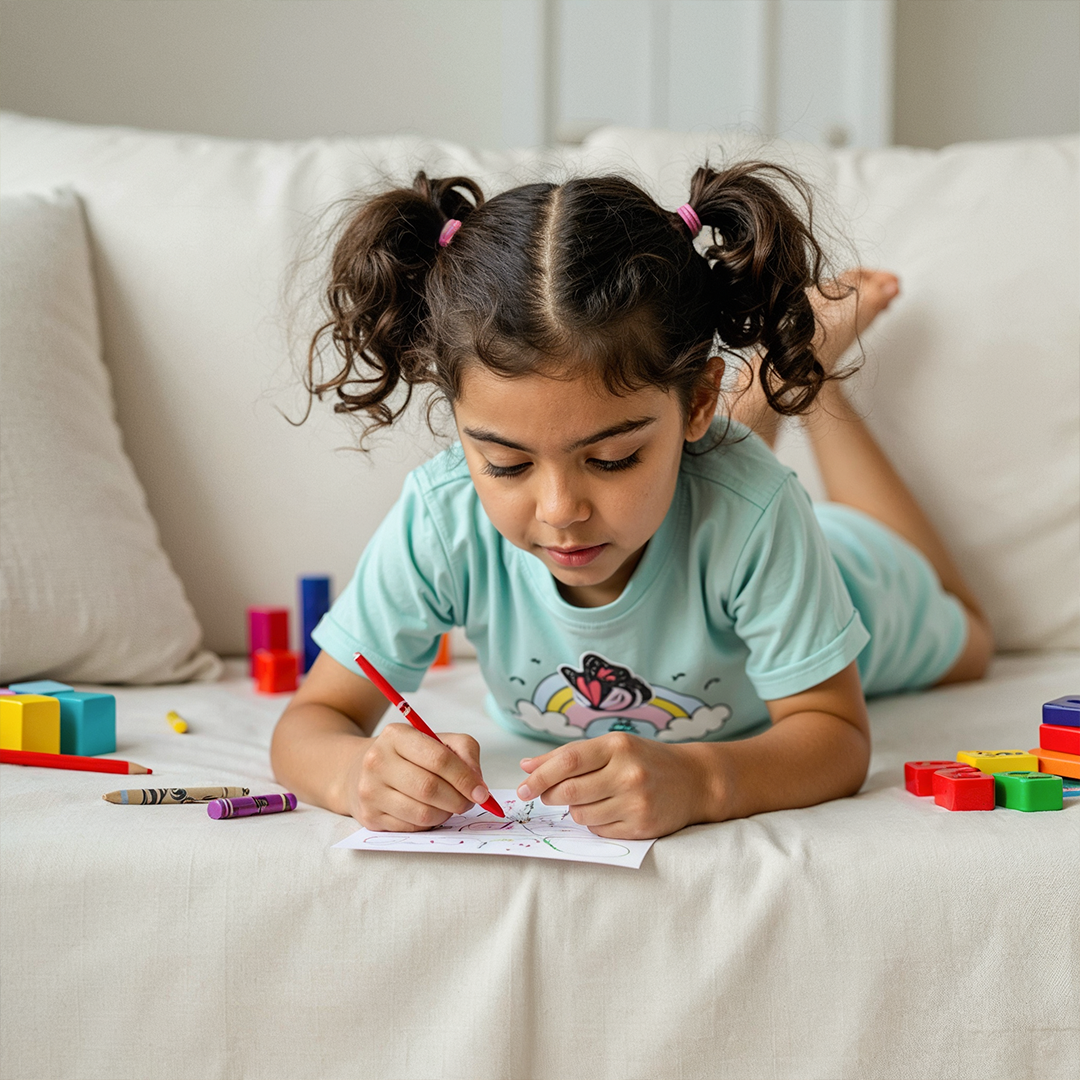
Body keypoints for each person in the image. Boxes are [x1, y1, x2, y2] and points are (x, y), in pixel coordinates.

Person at [270, 163, 993, 840]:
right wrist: (354, 776)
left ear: (702, 396)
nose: (559, 510)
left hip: (854, 580)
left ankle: (805, 370)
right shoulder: (442, 516)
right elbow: (314, 720)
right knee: (710, 471)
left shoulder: (760, 515)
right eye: (506, 463)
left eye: (612, 458)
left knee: (971, 637)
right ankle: (749, 394)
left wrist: (704, 780)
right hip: (709, 504)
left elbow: (835, 736)